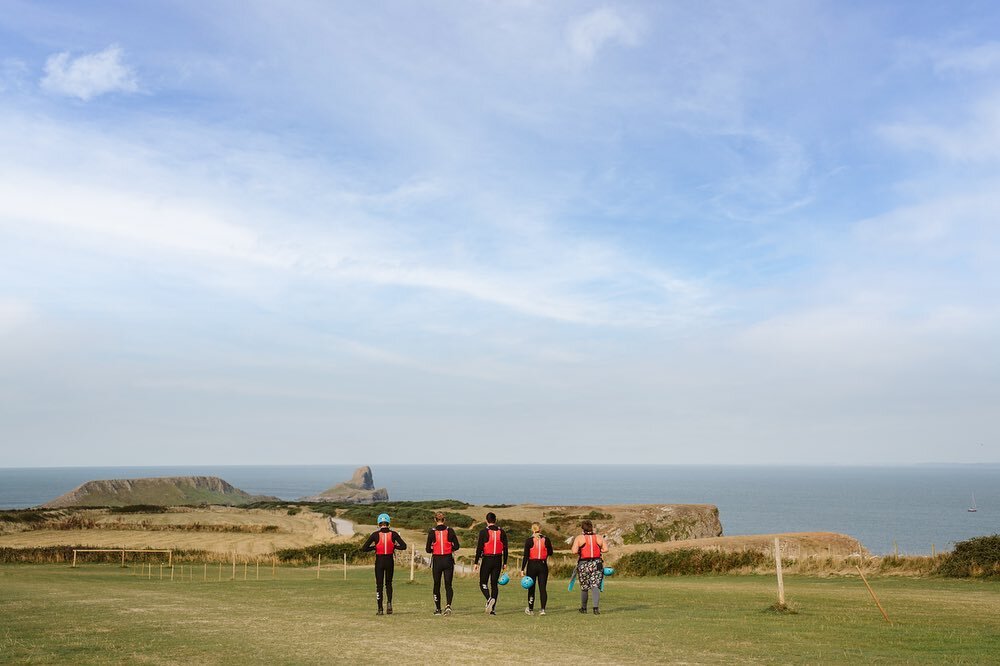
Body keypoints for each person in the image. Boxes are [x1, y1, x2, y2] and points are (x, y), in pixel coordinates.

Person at [361, 512, 407, 616]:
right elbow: (404, 546)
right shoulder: (394, 534)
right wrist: (394, 546)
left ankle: (380, 608)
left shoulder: (375, 535)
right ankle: (389, 603)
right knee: (388, 584)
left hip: (380, 561)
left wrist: (374, 547)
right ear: (388, 523)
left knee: (379, 585)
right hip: (389, 561)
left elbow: (364, 548)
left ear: (378, 524)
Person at [425, 511, 461, 615]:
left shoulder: (432, 532)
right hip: (448, 560)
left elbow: (427, 549)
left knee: (436, 585)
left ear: (435, 520)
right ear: (444, 520)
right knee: (448, 584)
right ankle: (448, 606)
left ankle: (437, 609)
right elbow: (457, 546)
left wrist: (434, 548)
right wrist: (450, 548)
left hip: (437, 561)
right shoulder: (450, 530)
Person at [473, 511, 509, 615]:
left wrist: (476, 562)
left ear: (486, 521)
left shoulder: (483, 532)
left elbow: (479, 548)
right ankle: (492, 609)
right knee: (494, 585)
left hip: (487, 559)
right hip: (498, 560)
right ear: (495, 520)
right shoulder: (502, 532)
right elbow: (505, 548)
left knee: (483, 583)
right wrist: (505, 562)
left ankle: (489, 599)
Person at [571, 519, 608, 615]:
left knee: (584, 587)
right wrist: (598, 550)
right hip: (597, 563)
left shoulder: (579, 538)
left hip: (583, 564)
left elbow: (574, 551)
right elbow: (606, 549)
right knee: (595, 586)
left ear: (583, 529)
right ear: (592, 527)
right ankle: (595, 608)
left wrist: (581, 550)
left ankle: (584, 608)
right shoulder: (599, 537)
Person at [520, 522, 552, 615]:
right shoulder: (546, 539)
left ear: (532, 529)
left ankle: (530, 610)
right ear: (540, 529)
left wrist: (522, 569)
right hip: (543, 565)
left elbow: (526, 556)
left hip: (531, 566)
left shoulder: (529, 540)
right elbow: (550, 552)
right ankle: (542, 610)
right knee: (542, 588)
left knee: (531, 588)